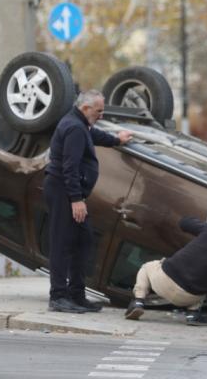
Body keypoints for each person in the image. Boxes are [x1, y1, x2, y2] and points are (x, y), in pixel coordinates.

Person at [44, 90, 132, 313]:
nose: (101, 115)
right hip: (63, 192)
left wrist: (116, 140)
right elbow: (69, 167)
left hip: (68, 192)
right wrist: (76, 199)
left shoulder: (80, 124)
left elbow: (93, 135)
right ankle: (58, 297)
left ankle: (76, 294)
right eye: (99, 111)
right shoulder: (74, 127)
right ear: (85, 108)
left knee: (83, 240)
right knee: (62, 243)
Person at [124, 217, 207, 325]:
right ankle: (193, 314)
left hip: (163, 281)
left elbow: (185, 222)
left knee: (147, 267)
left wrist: (205, 227)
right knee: (205, 287)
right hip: (188, 297)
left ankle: (138, 301)